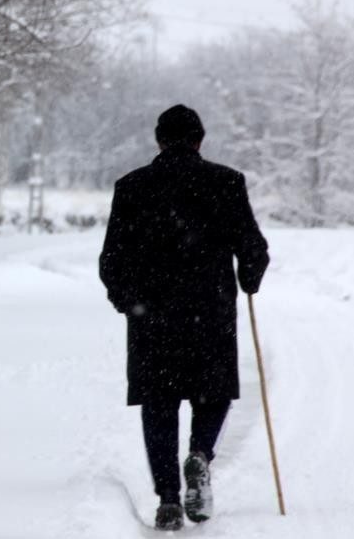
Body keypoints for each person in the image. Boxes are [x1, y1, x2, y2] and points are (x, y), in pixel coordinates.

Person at [99, 104, 269, 531]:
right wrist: (249, 277)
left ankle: (169, 499)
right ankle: (200, 455)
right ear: (200, 139)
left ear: (158, 141)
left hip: (151, 316)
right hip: (208, 311)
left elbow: (111, 261)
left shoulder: (132, 186)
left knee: (158, 404)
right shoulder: (226, 183)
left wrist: (128, 303)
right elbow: (253, 246)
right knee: (212, 392)